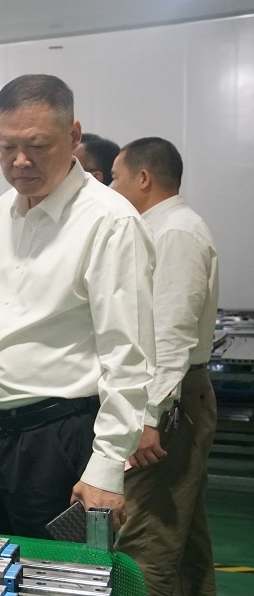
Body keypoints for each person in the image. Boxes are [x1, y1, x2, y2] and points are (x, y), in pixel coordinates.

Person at [0, 74, 156, 539]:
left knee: (52, 571)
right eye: (6, 147)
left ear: (73, 136)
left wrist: (106, 467)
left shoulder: (110, 221)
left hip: (57, 440)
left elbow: (128, 356)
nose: (20, 161)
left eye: (37, 145)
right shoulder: (1, 211)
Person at [111, 138, 219, 596]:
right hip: (173, 399)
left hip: (169, 404)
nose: (111, 187)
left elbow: (171, 334)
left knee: (146, 540)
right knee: (182, 532)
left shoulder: (174, 232)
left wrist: (149, 416)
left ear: (143, 178)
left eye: (115, 177)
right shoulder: (163, 227)